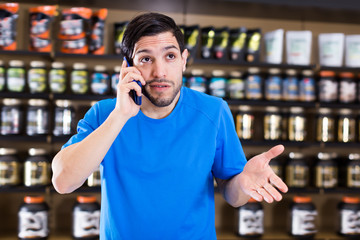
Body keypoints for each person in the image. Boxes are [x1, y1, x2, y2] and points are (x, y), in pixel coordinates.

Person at [52, 12, 288, 239]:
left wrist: (244, 184)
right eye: (146, 58)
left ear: (184, 60)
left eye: (170, 56)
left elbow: (233, 195)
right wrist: (120, 116)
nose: (160, 71)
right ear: (127, 67)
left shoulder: (213, 111)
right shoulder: (105, 114)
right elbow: (63, 182)